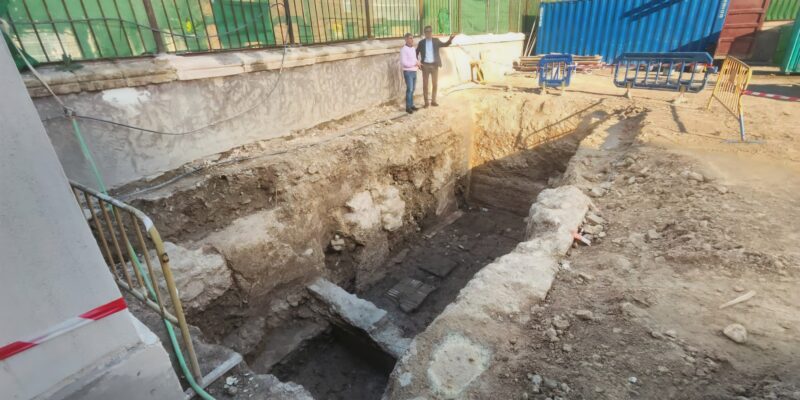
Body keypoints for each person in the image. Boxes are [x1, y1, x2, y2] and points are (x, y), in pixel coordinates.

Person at [416, 26, 456, 107]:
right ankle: (426, 102)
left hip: (434, 66)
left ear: (431, 32)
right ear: (425, 33)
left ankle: (433, 101)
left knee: (435, 84)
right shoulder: (421, 43)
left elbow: (445, 44)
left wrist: (450, 39)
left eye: (430, 32)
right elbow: (415, 53)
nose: (428, 33)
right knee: (425, 85)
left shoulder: (436, 41)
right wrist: (417, 62)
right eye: (427, 32)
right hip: (425, 66)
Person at [400, 33, 421, 114]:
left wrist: (418, 63)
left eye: (412, 38)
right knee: (410, 89)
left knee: (413, 89)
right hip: (408, 72)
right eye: (410, 38)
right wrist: (414, 64)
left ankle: (412, 105)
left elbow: (415, 59)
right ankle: (408, 107)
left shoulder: (413, 48)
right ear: (406, 39)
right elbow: (404, 63)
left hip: (414, 71)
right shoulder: (403, 50)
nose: (412, 40)